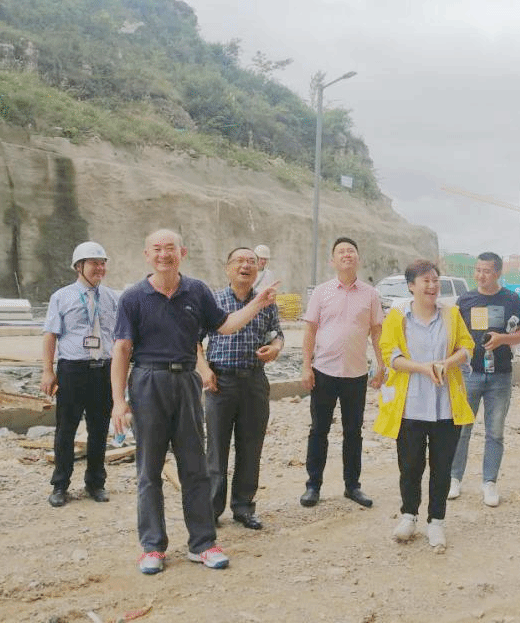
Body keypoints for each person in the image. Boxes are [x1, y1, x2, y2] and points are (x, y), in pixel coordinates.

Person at [111, 229, 279, 575]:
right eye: (157, 249)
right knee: (149, 470)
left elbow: (226, 325)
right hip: (148, 381)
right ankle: (152, 547)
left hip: (187, 381)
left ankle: (202, 543)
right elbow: (122, 349)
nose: (164, 255)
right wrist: (118, 401)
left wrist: (257, 304)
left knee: (195, 467)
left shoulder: (196, 291)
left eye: (170, 248)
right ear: (147, 255)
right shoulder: (133, 297)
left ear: (182, 253)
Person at [374, 259, 474, 550]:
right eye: (425, 281)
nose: (432, 286)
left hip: (446, 407)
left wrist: (447, 363)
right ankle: (409, 516)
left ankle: (436, 522)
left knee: (442, 468)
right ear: (411, 286)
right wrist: (422, 367)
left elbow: (467, 347)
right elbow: (390, 355)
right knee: (410, 466)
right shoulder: (397, 317)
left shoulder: (451, 314)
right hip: (410, 406)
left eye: (435, 280)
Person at [199, 246, 284, 530]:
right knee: (216, 449)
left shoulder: (266, 301)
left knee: (251, 447)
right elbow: (194, 340)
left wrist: (274, 349)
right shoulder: (213, 301)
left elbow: (277, 335)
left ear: (258, 269)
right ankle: (211, 509)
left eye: (251, 262)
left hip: (254, 381)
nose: (245, 266)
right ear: (227, 268)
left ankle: (244, 507)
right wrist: (204, 371)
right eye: (239, 261)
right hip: (220, 383)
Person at [299, 236, 387, 509]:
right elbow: (310, 330)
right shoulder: (321, 292)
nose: (347, 255)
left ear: (358, 258)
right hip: (323, 372)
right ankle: (313, 486)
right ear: (332, 260)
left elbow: (377, 331)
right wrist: (306, 365)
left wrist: (381, 364)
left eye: (351, 251)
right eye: (341, 252)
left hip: (356, 374)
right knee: (319, 430)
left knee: (353, 432)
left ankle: (353, 486)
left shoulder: (370, 294)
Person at [448, 252, 520, 507]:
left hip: (500, 376)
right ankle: (454, 478)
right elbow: (454, 335)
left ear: (498, 273)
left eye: (486, 271)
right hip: (469, 374)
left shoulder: (511, 300)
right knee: (461, 429)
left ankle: (489, 482)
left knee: (495, 432)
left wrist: (502, 339)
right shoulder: (466, 300)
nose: (480, 275)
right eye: (478, 270)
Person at [41, 241, 118, 507]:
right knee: (66, 429)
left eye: (102, 263)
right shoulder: (61, 297)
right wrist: (47, 371)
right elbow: (50, 335)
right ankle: (60, 485)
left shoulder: (112, 298)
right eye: (94, 263)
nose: (100, 268)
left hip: (103, 370)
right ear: (78, 266)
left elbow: (120, 336)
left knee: (99, 428)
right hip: (73, 370)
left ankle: (95, 483)